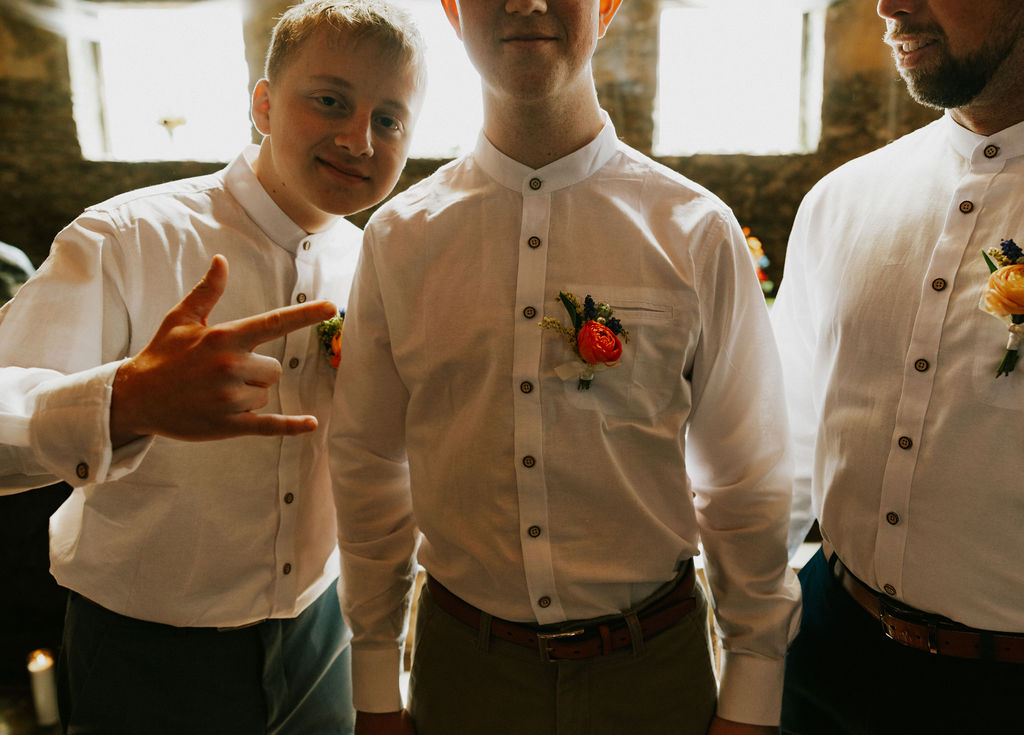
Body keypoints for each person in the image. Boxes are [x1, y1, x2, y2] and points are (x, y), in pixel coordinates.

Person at [330, 1, 801, 733]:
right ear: (453, 9)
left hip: (655, 670)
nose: (525, 3)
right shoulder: (398, 238)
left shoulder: (696, 230)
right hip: (464, 670)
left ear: (607, 6)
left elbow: (747, 480)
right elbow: (367, 463)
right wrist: (373, 677)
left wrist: (752, 690)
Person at [0, 1, 425, 732]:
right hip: (144, 646)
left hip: (327, 631)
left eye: (389, 119)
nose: (359, 138)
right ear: (262, 104)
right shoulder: (122, 238)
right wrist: (124, 400)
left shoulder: (377, 266)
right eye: (330, 101)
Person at [770, 1, 1024, 732]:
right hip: (827, 653)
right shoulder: (841, 201)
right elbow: (786, 437)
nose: (887, 6)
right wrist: (756, 634)